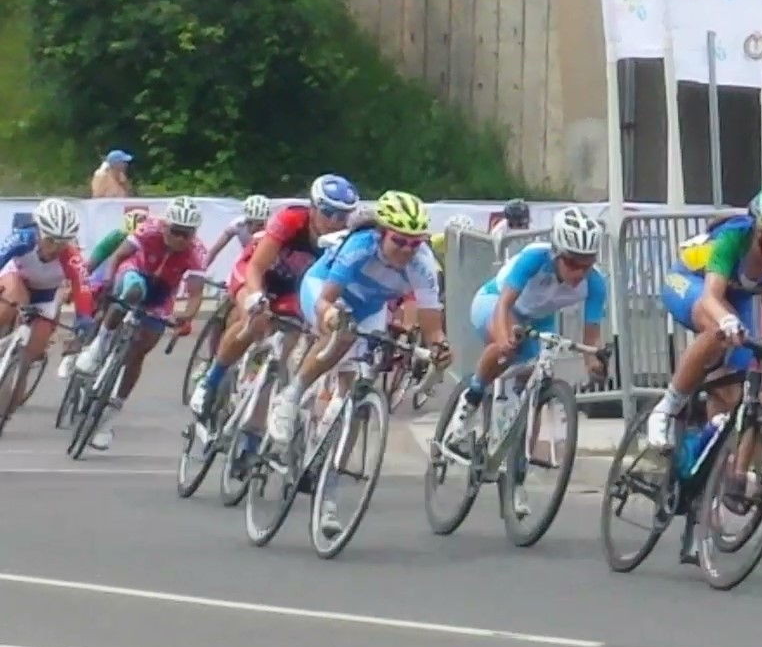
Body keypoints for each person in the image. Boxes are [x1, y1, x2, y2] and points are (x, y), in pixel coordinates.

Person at [647, 180, 762, 557]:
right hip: (689, 281)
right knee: (720, 327)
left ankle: (700, 487)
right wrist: (726, 322)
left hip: (737, 299)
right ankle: (666, 407)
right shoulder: (734, 238)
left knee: (730, 401)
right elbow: (712, 298)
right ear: (761, 232)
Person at [270, 190, 450, 537]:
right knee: (342, 333)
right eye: (400, 241)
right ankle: (290, 397)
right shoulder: (360, 245)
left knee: (353, 396)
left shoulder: (423, 264)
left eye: (416, 243)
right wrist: (331, 316)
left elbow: (433, 326)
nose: (408, 250)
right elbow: (326, 300)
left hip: (368, 309)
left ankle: (328, 496)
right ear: (382, 233)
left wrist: (440, 349)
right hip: (324, 290)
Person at [450, 206, 609, 517]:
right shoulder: (535, 258)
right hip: (493, 302)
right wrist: (506, 338)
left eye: (587, 265)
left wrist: (595, 364)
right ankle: (470, 400)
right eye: (573, 263)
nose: (579, 273)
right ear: (557, 253)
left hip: (539, 318)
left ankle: (516, 477)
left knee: (531, 393)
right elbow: (504, 305)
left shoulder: (596, 284)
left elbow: (592, 337)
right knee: (505, 348)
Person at [188, 175, 359, 420]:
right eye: (328, 212)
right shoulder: (290, 220)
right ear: (312, 208)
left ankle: (255, 411)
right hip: (258, 271)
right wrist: (256, 297)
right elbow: (256, 267)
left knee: (288, 337)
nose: (334, 221)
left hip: (291, 287)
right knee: (254, 320)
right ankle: (211, 379)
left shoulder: (343, 241)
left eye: (342, 216)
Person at [74, 196, 210, 451]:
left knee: (140, 350)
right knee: (132, 291)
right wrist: (108, 283)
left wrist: (186, 317)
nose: (180, 239)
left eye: (187, 234)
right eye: (176, 231)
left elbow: (195, 294)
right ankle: (97, 347)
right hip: (135, 273)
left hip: (162, 293)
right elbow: (117, 257)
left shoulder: (196, 253)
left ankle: (109, 418)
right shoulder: (148, 229)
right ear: (166, 226)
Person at [0, 199, 93, 412]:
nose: (55, 248)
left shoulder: (71, 257)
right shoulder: (23, 239)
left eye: (63, 242)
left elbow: (83, 289)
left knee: (30, 354)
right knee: (15, 297)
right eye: (50, 240)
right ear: (39, 231)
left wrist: (84, 318)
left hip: (44, 297)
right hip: (16, 280)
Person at [206, 195, 272, 267]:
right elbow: (214, 251)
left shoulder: (271, 228)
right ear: (248, 221)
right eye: (259, 225)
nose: (262, 228)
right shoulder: (238, 225)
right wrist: (202, 270)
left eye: (264, 223)